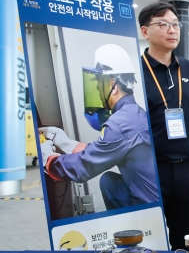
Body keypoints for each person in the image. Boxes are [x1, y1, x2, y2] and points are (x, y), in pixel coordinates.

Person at [39, 44, 158, 209]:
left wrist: (48, 160)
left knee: (108, 181)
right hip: (154, 198)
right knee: (108, 181)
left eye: (99, 83)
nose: (96, 88)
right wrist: (66, 143)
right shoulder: (134, 113)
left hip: (147, 208)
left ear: (113, 86)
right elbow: (103, 150)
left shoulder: (121, 124)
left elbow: (83, 167)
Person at [139, 2, 189, 250]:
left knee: (188, 238)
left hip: (187, 167)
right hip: (149, 170)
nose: (172, 30)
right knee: (150, 238)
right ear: (145, 31)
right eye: (163, 24)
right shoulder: (135, 72)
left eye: (175, 24)